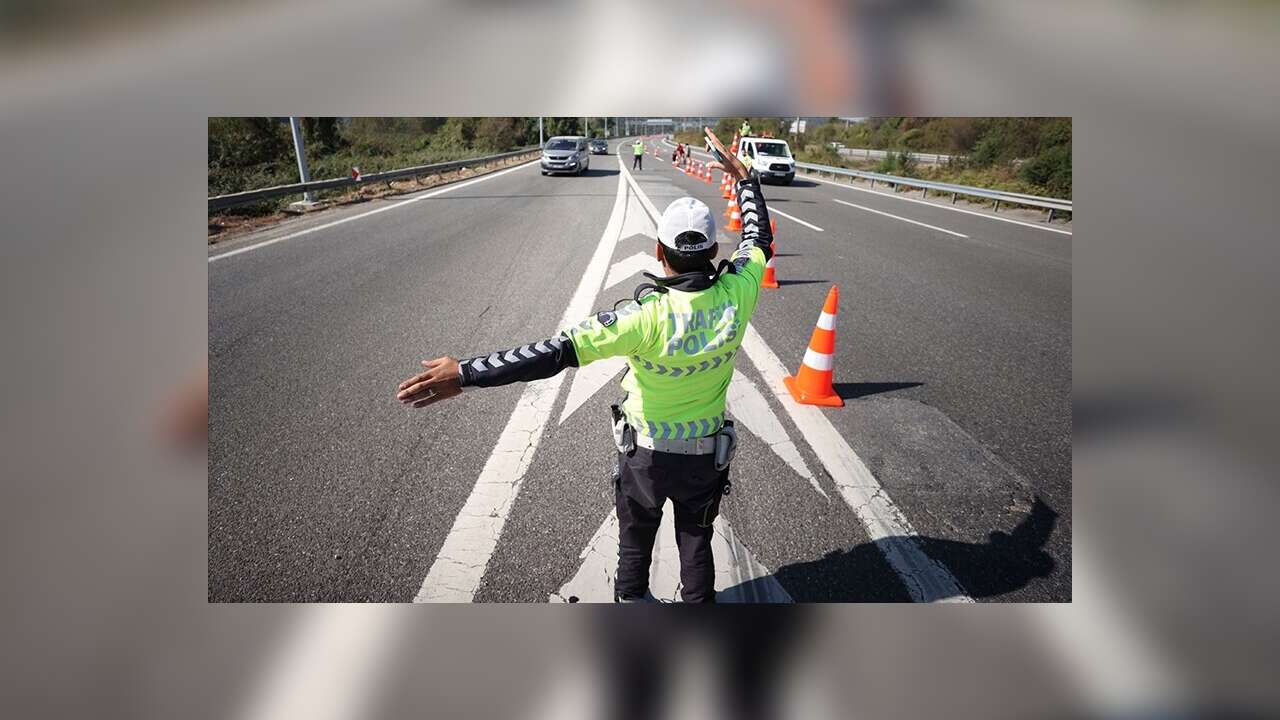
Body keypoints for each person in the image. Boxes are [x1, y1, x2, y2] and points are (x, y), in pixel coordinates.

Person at [396, 128, 775, 603]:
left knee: (635, 545)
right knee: (696, 542)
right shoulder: (738, 293)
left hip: (648, 459)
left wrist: (466, 372)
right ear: (715, 253)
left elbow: (550, 354)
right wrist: (745, 181)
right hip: (705, 459)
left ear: (659, 253)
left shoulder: (642, 318)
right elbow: (759, 236)